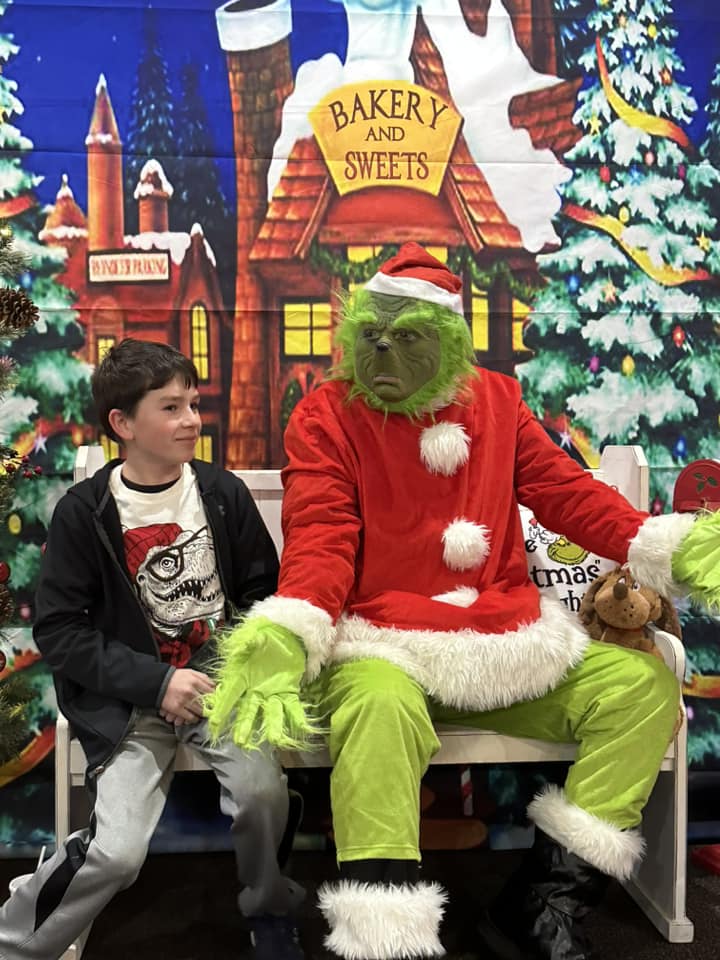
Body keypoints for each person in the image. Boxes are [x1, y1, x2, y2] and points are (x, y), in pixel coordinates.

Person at [206, 244, 719, 960]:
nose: (382, 350)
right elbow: (321, 534)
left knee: (640, 686)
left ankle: (543, 905)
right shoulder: (327, 415)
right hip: (380, 646)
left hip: (502, 647)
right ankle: (386, 939)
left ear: (448, 341)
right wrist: (292, 627)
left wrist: (661, 542)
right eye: (370, 334)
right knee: (377, 706)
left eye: (406, 336)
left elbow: (568, 494)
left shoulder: (499, 403)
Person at [0, 339, 305, 960]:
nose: (191, 419)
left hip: (220, 689)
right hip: (127, 704)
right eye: (171, 408)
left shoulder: (222, 494)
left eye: (192, 404)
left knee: (262, 794)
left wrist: (222, 670)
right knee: (115, 853)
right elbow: (61, 631)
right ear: (123, 423)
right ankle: (16, 942)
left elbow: (261, 597)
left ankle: (269, 910)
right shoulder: (84, 513)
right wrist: (158, 683)